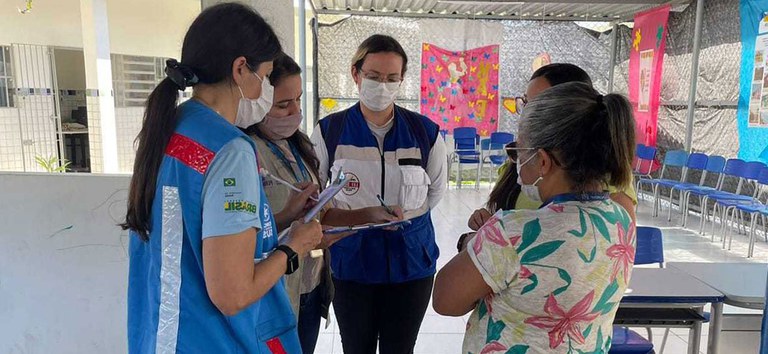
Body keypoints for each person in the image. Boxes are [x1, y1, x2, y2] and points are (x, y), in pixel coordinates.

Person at [121, 4, 322, 353]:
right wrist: (295, 247)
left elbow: (200, 236)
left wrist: (283, 219)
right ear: (241, 69)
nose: (267, 92)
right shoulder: (230, 150)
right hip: (214, 340)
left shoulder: (171, 127)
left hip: (161, 335)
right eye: (267, 76)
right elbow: (233, 294)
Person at [433, 82, 637, 353]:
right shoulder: (621, 221)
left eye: (519, 151)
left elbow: (445, 300)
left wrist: (479, 243)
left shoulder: (515, 232)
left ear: (542, 161)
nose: (516, 160)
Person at [310, 34, 448, 354]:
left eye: (391, 78)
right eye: (373, 76)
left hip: (411, 265)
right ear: (356, 74)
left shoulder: (424, 132)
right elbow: (317, 196)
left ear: (401, 81)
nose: (381, 85)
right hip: (351, 264)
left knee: (399, 349)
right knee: (356, 348)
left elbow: (436, 191)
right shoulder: (330, 131)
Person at [467, 63, 637, 236]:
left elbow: (618, 243)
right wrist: (490, 228)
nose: (527, 114)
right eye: (526, 103)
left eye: (538, 105)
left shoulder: (606, 175)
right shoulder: (523, 158)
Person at [244, 53, 339, 354]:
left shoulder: (301, 145)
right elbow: (241, 234)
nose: (295, 111)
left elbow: (315, 210)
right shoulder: (241, 152)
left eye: (298, 100)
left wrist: (325, 231)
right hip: (272, 292)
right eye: (283, 105)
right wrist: (286, 218)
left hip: (309, 286)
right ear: (257, 101)